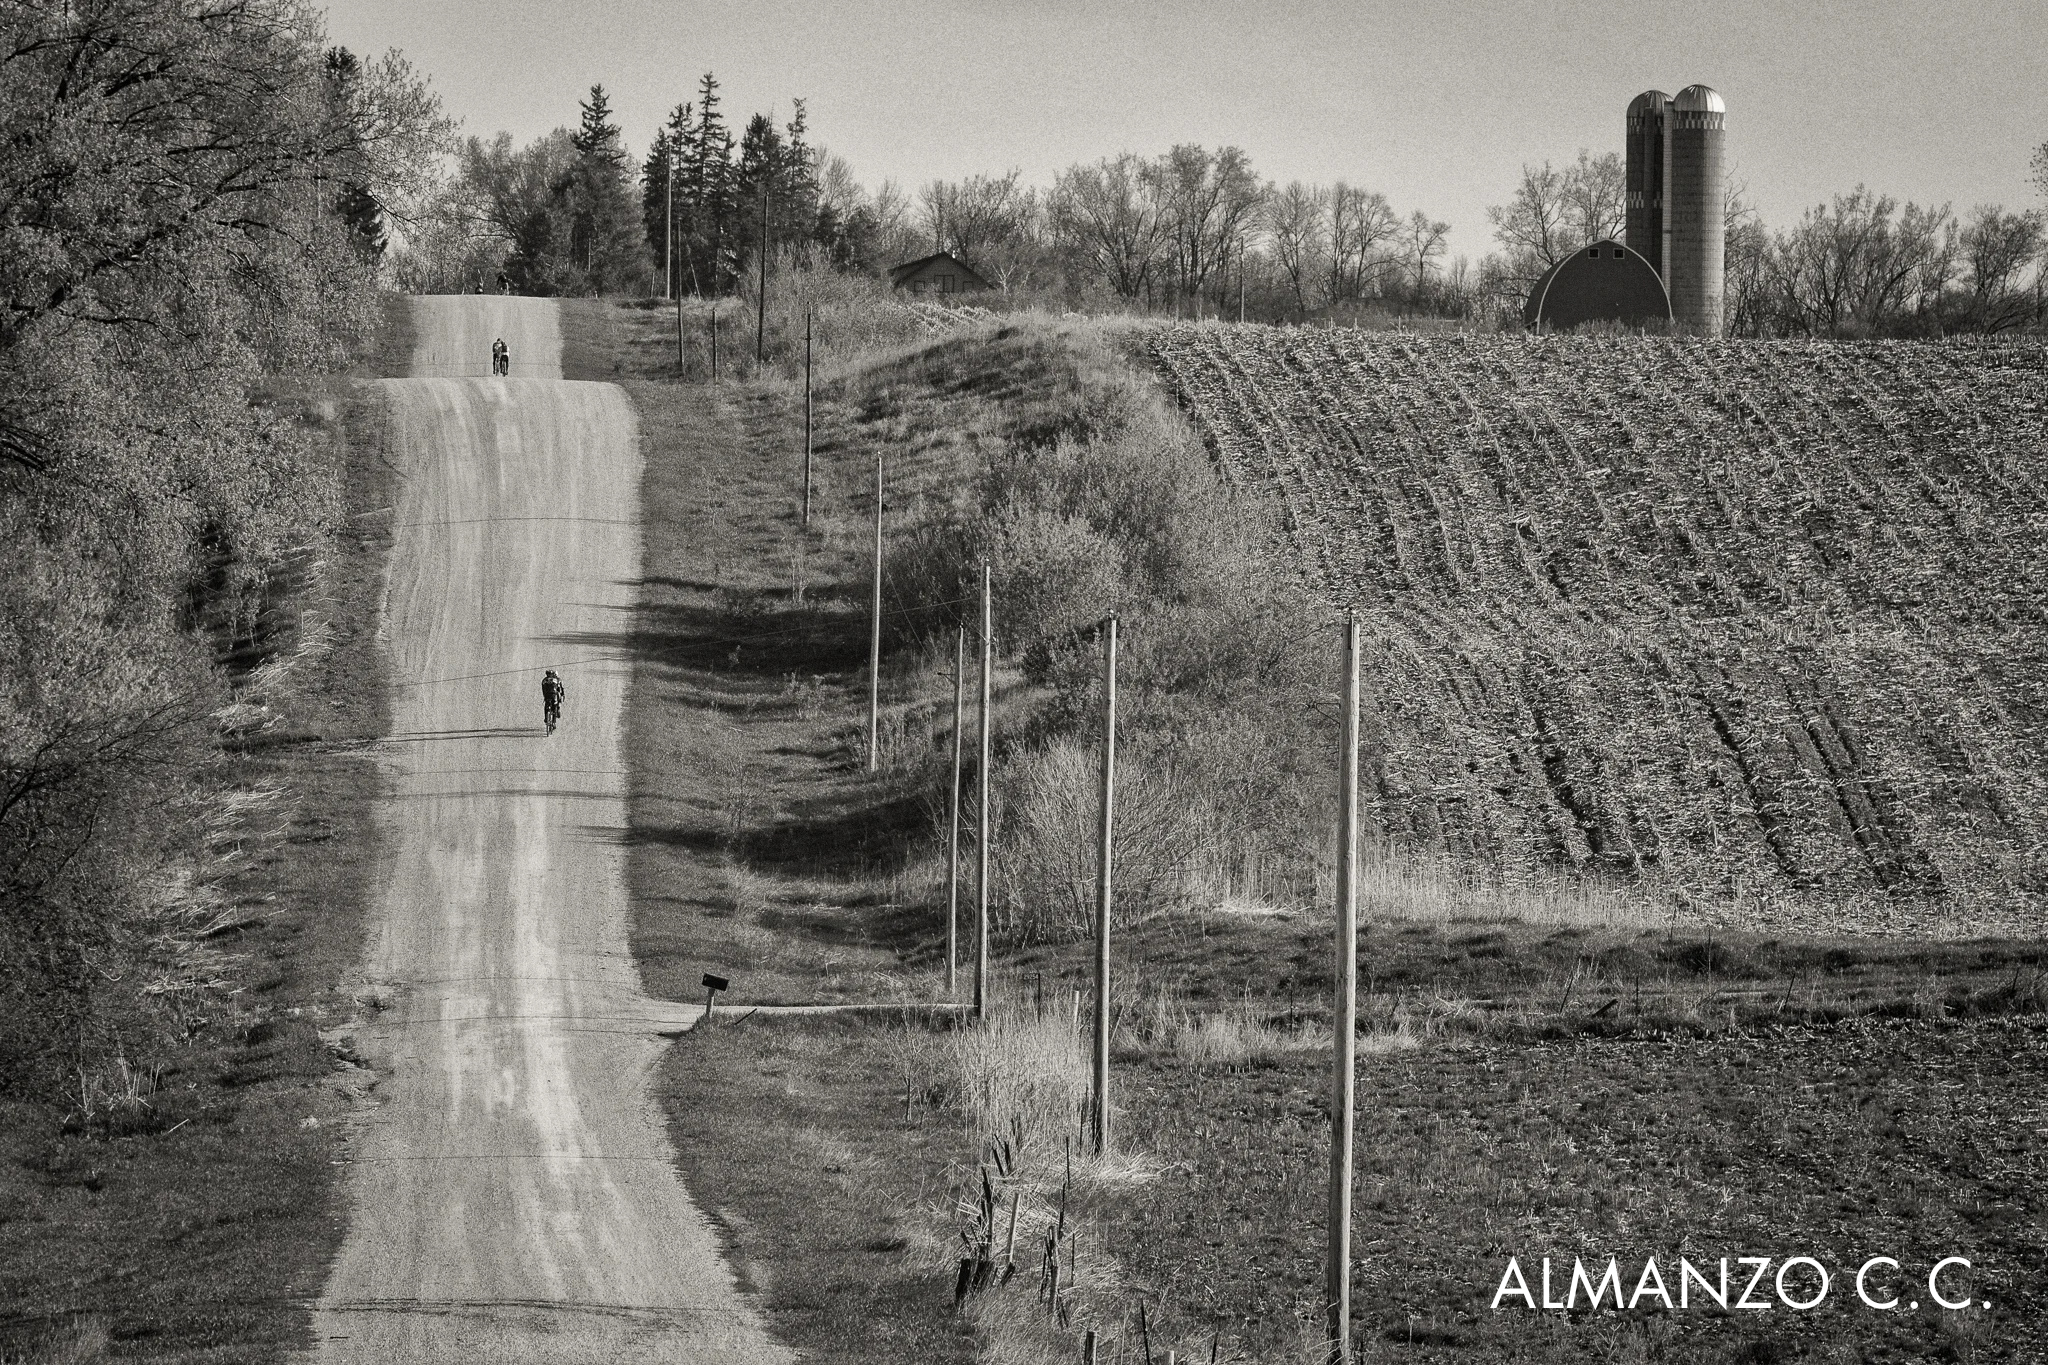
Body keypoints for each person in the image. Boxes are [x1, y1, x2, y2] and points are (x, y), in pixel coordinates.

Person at [541, 669, 565, 734]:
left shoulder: (544, 680)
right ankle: (554, 722)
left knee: (546, 706)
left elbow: (543, 689)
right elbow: (560, 688)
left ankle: (546, 718)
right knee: (555, 708)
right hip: (554, 695)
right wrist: (563, 694)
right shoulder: (556, 679)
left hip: (547, 695)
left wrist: (544, 696)